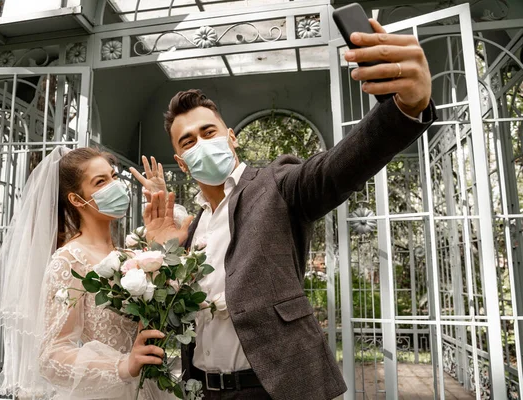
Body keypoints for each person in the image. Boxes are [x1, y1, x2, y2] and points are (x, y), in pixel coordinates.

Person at [141, 20, 436, 400]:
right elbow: (174, 313)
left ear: (231, 137)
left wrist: (405, 108)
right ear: (182, 162)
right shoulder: (193, 228)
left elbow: (334, 169)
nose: (200, 143)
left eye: (208, 132)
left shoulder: (278, 184)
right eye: (188, 141)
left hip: (277, 388)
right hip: (204, 390)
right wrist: (166, 253)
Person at [0, 147, 177, 400]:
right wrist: (123, 366)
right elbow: (52, 356)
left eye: (113, 177)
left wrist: (160, 242)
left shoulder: (130, 256)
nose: (115, 186)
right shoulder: (69, 261)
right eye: (101, 182)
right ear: (77, 200)